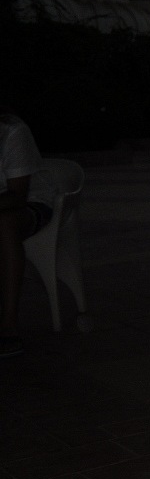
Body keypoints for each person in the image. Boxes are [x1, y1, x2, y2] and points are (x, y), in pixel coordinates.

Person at [0, 112, 56, 356]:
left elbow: (18, 195)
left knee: (4, 224)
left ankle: (8, 325)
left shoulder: (12, 131)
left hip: (31, 203)